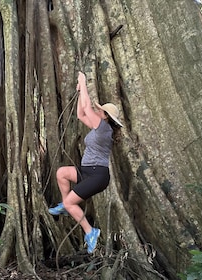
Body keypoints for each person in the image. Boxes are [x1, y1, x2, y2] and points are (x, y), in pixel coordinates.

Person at [49, 71, 123, 253]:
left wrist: (83, 82)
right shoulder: (99, 128)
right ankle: (67, 205)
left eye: (101, 111)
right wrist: (81, 90)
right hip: (87, 170)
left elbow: (88, 108)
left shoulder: (104, 128)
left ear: (105, 116)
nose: (97, 111)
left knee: (69, 203)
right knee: (62, 173)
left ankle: (90, 231)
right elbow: (82, 114)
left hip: (98, 175)